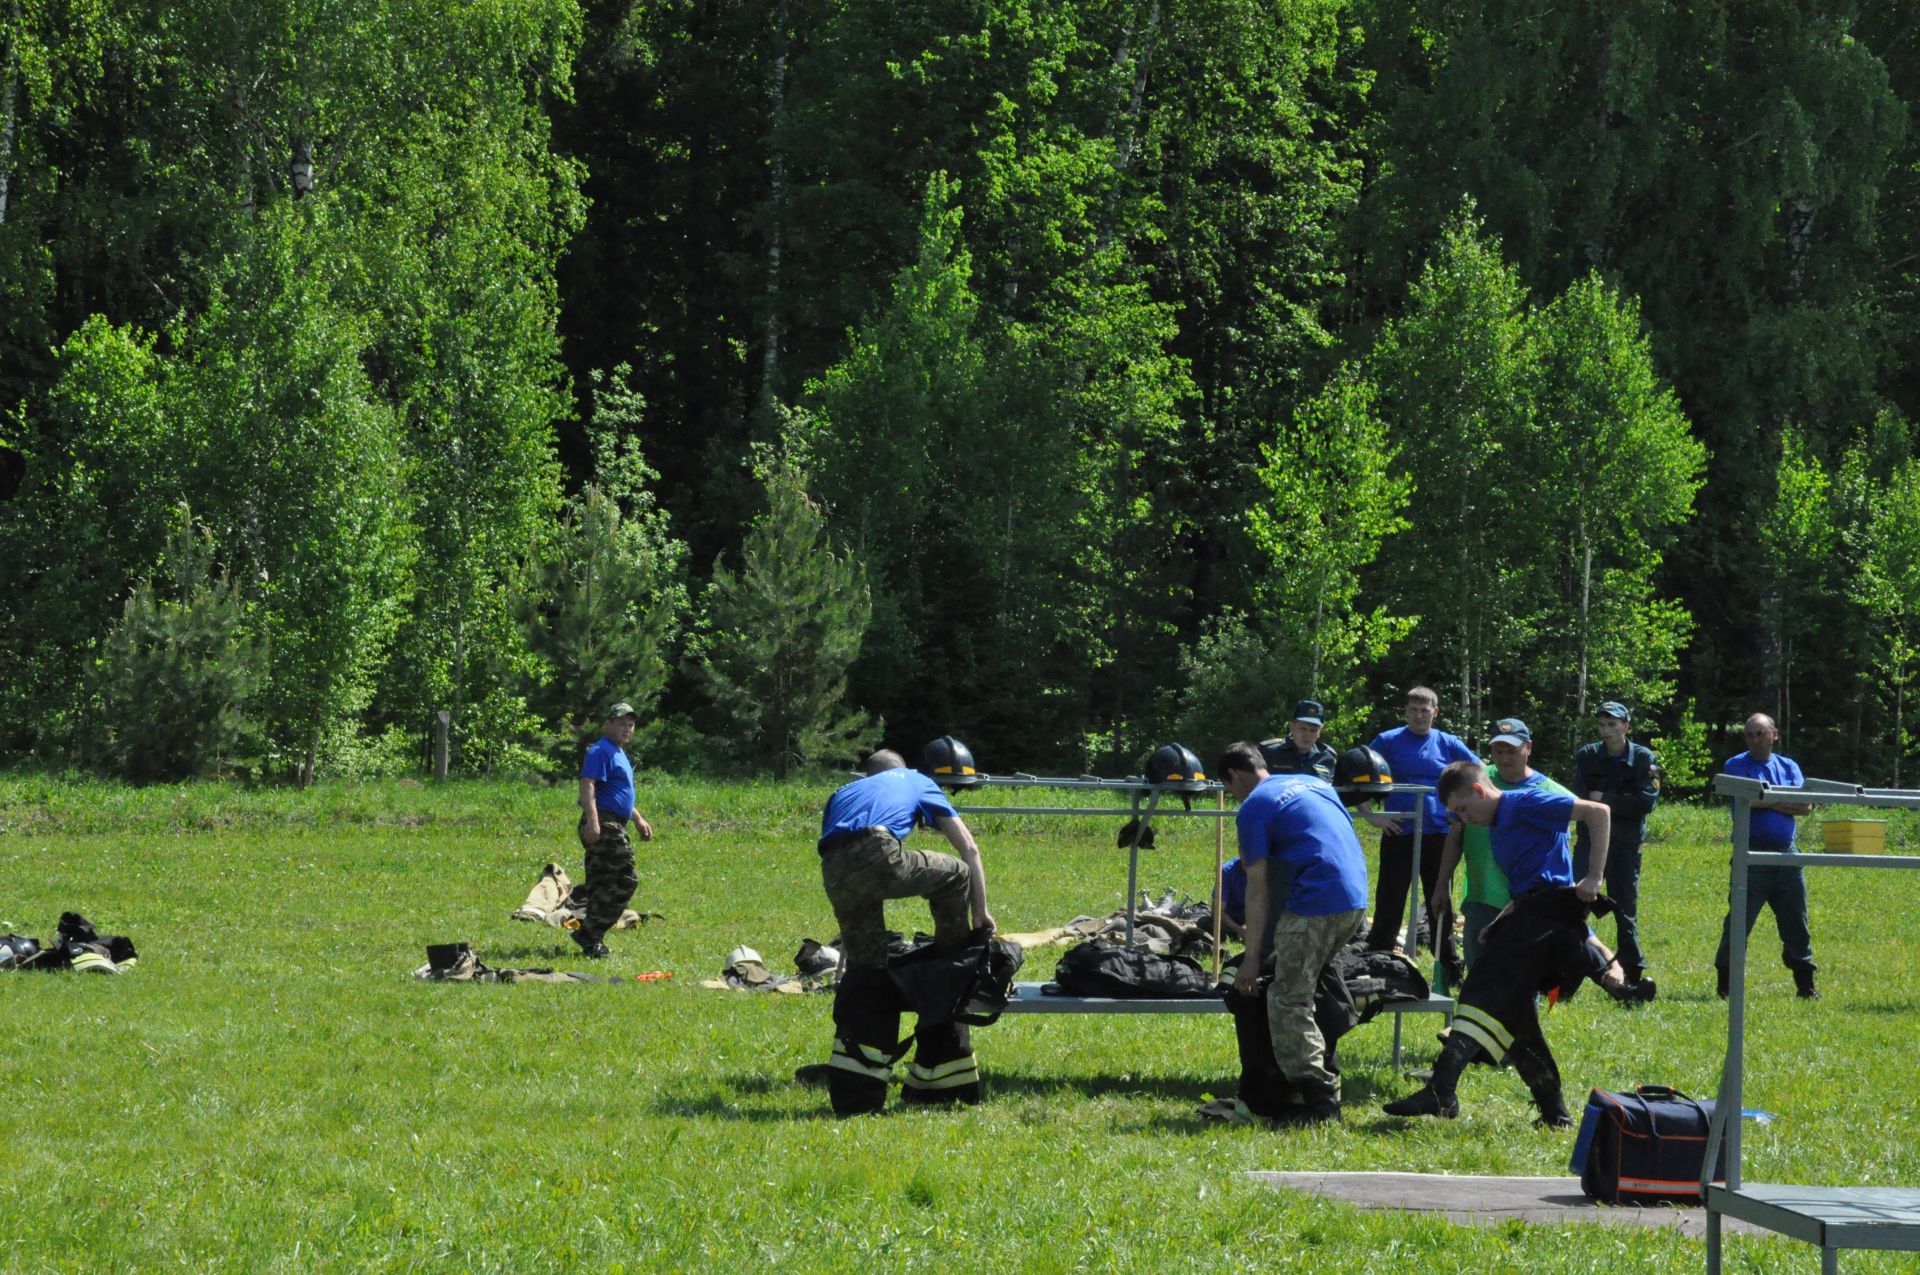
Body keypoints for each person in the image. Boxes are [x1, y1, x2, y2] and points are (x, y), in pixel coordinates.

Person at [1384, 760, 1614, 1127]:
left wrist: (1594, 877)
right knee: (1517, 1020)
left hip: (1547, 919)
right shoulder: (1497, 823)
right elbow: (1528, 884)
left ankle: (1442, 1089)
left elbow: (1598, 812)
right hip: (1528, 913)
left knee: (1481, 987)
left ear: (1478, 790)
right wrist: (1500, 920)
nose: (1464, 818)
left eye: (1462, 809)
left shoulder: (1523, 803)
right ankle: (1555, 1114)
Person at [816, 749, 995, 1114]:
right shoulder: (918, 780)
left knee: (868, 971)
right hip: (878, 848)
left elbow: (847, 858)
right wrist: (981, 913)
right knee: (956, 873)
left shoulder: (843, 793)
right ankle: (952, 955)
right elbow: (970, 848)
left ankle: (859, 1088)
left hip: (833, 868)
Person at [1218, 741, 1369, 1125]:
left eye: (1230, 789)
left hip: (1316, 904)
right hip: (1355, 899)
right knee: (1308, 984)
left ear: (1234, 776)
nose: (1234, 797)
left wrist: (1252, 960)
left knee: (1287, 999)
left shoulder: (1254, 806)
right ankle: (1306, 1080)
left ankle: (1318, 1101)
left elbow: (1257, 886)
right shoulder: (1313, 783)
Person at [1430, 717, 1574, 969]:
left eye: (1512, 751)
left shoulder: (1550, 792)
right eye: (1498, 751)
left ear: (1528, 747)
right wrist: (1442, 884)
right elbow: (1455, 833)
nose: (1504, 758)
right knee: (1479, 974)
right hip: (1482, 897)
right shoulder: (1475, 782)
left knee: (1524, 974)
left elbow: (1564, 850)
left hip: (1528, 903)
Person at [1366, 687, 1478, 981]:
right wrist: (1372, 815)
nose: (1419, 715)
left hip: (1439, 833)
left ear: (1435, 712)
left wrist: (1463, 812)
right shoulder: (1388, 741)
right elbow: (1357, 772)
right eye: (1413, 709)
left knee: (1439, 899)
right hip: (1399, 830)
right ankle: (1378, 957)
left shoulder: (1448, 743)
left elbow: (1478, 773)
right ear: (1405, 710)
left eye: (1425, 710)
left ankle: (1449, 965)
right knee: (1391, 896)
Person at [1714, 714, 1817, 999]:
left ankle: (1805, 985)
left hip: (1787, 855)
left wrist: (1766, 800)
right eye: (1749, 734)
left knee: (1796, 921)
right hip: (1751, 853)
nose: (1755, 740)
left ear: (1775, 735)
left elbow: (1806, 805)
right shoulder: (1736, 764)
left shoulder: (1788, 766)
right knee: (1739, 921)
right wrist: (1782, 801)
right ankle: (1726, 985)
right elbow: (1748, 799)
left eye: (1760, 734)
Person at [1572, 701, 1660, 988]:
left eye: (1613, 724)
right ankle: (1567, 975)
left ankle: (1632, 975)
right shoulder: (1587, 756)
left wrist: (1604, 799)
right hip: (1590, 844)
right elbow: (1581, 798)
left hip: (1624, 847)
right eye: (1602, 724)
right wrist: (1617, 800)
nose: (1606, 730)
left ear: (1626, 726)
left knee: (1625, 912)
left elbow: (1645, 803)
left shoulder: (1643, 758)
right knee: (1574, 909)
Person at [573, 701, 654, 958]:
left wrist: (638, 819)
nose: (627, 729)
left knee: (602, 882)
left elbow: (619, 794)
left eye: (630, 725)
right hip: (603, 823)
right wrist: (593, 820)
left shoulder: (618, 753)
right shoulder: (601, 750)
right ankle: (590, 933)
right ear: (608, 724)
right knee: (625, 880)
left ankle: (592, 941)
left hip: (613, 821)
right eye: (621, 724)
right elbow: (588, 784)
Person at [1259, 700, 1339, 782]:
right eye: (1303, 729)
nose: (1307, 735)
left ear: (1320, 732)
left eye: (1313, 730)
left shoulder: (1326, 756)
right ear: (1292, 727)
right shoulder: (1270, 752)